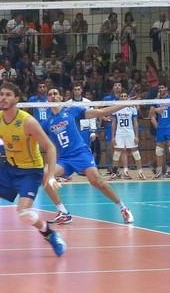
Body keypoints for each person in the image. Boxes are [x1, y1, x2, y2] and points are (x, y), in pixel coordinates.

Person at [0, 82, 66, 258]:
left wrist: (51, 175)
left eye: (8, 95)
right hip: (9, 168)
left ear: (16, 99)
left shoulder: (28, 122)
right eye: (1, 95)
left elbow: (50, 147)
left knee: (24, 213)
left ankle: (50, 234)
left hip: (30, 171)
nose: (3, 98)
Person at [40, 87, 134, 225]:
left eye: (55, 94)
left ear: (61, 97)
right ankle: (63, 212)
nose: (53, 96)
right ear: (47, 99)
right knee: (45, 174)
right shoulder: (47, 122)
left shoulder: (72, 110)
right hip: (64, 159)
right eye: (50, 95)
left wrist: (124, 104)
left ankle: (123, 208)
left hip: (80, 153)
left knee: (97, 182)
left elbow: (102, 111)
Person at [109, 91, 142, 180]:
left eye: (125, 96)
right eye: (122, 96)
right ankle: (115, 173)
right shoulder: (116, 108)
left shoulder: (132, 108)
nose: (123, 97)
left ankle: (140, 173)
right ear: (119, 97)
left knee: (135, 152)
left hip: (130, 132)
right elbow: (113, 123)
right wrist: (113, 137)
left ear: (127, 97)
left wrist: (136, 136)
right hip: (119, 133)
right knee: (117, 153)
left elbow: (135, 122)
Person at [149, 82, 170, 178]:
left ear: (166, 88)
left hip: (169, 127)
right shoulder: (156, 101)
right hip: (161, 128)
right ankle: (159, 171)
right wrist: (156, 110)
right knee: (159, 150)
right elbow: (150, 114)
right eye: (159, 88)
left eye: (162, 87)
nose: (160, 89)